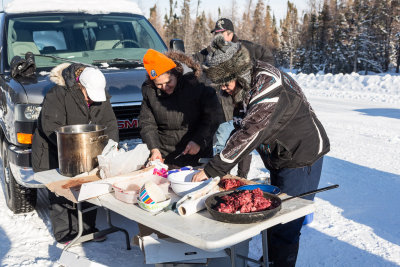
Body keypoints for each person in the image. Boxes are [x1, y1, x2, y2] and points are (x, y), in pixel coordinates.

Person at [192, 35, 330, 267]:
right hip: (281, 154)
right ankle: (270, 260)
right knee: (273, 215)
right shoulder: (247, 81)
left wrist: (213, 169)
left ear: (237, 72)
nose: (224, 89)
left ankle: (279, 262)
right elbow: (243, 121)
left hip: (301, 155)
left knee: (287, 223)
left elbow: (251, 132)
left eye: (225, 82)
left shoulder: (267, 84)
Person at [32, 63, 119, 243]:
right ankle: (65, 232)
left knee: (89, 186)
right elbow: (51, 127)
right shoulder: (57, 94)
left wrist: (111, 145)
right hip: (54, 150)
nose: (94, 101)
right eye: (90, 96)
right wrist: (75, 148)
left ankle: (87, 229)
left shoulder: (100, 95)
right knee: (61, 191)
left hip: (86, 150)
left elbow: (110, 123)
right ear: (81, 85)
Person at [194, 18, 275, 178]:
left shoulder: (247, 48)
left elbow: (267, 57)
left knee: (244, 142)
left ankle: (241, 177)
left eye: (220, 33)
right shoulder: (211, 51)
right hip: (223, 108)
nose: (217, 37)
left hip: (244, 105)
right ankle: (221, 177)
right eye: (215, 33)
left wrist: (257, 79)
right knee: (222, 144)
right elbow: (195, 61)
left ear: (230, 34)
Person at [139, 49, 223, 168]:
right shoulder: (149, 91)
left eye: (168, 82)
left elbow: (213, 116)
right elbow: (147, 123)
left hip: (196, 151)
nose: (164, 87)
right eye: (159, 84)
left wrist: (198, 141)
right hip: (165, 155)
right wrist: (154, 149)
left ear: (176, 73)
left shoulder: (197, 85)